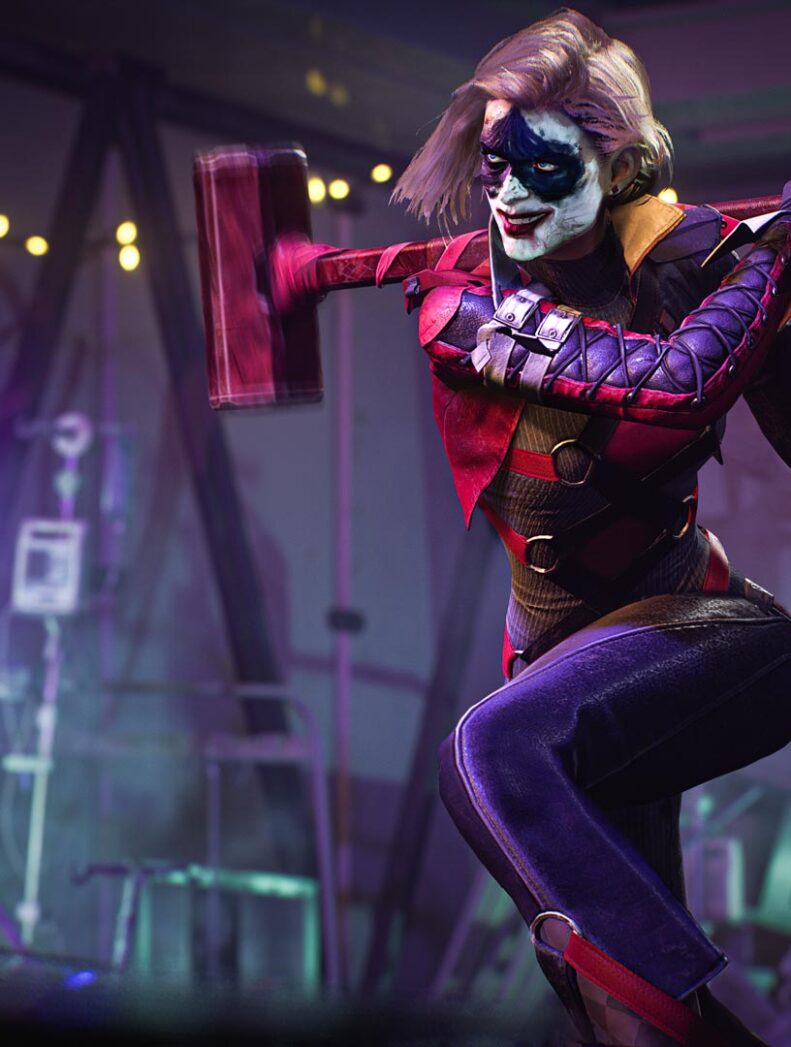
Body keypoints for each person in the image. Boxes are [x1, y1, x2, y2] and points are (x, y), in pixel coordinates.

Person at [391, 9, 791, 1045]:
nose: (508, 193)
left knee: (488, 752)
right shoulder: (462, 302)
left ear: (616, 164)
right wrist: (766, 264)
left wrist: (762, 296)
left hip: (707, 631)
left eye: (541, 166)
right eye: (494, 165)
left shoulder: (683, 263)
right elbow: (673, 382)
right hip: (564, 668)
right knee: (607, 1003)